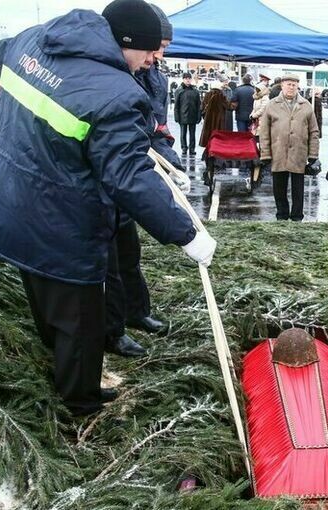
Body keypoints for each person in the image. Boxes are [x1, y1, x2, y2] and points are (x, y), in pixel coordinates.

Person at [0, 0, 217, 417]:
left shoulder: (34, 41)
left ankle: (58, 365)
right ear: (125, 44)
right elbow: (128, 178)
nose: (154, 59)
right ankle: (81, 404)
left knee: (45, 299)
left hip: (8, 203)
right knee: (81, 320)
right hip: (60, 220)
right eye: (149, 50)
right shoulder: (116, 93)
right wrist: (186, 233)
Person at [102, 1, 184, 358]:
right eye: (156, 48)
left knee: (128, 254)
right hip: (113, 177)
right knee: (109, 267)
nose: (158, 56)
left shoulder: (154, 77)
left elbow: (155, 128)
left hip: (133, 171)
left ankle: (138, 312)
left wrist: (171, 163)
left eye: (163, 48)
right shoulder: (114, 75)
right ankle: (113, 331)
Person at [259, 74, 320, 221]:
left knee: (298, 188)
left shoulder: (306, 106)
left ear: (297, 86)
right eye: (288, 84)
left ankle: (297, 216)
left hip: (299, 153)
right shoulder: (272, 105)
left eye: (294, 85)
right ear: (282, 85)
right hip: (278, 152)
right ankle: (282, 214)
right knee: (279, 187)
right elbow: (264, 131)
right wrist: (265, 153)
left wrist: (313, 155)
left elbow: (314, 131)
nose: (291, 87)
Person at [174, 72, 201, 155]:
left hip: (193, 115)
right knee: (183, 133)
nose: (188, 80)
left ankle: (192, 149)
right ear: (183, 79)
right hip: (182, 116)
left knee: (192, 134)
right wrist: (176, 116)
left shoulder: (195, 91)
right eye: (186, 78)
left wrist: (198, 116)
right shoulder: (179, 91)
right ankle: (184, 148)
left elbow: (198, 105)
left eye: (189, 78)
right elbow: (176, 105)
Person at [199, 83, 230, 150]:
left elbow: (202, 106)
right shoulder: (221, 95)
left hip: (208, 119)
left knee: (208, 135)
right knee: (217, 135)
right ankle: (216, 149)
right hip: (219, 119)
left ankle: (208, 150)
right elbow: (228, 106)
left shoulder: (207, 94)